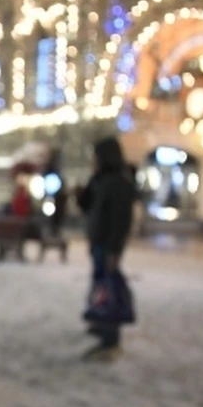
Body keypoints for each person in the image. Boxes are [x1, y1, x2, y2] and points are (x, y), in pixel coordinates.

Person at [83, 136, 137, 361]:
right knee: (101, 285)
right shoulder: (101, 179)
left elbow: (120, 220)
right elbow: (87, 205)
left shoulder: (118, 183)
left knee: (109, 289)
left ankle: (110, 340)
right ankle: (101, 324)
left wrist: (114, 250)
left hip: (108, 244)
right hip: (99, 241)